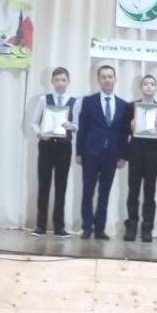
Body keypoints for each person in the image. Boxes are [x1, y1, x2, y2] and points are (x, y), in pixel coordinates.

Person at [75, 64, 129, 240]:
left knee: (104, 193)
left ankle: (100, 228)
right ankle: (87, 227)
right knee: (88, 191)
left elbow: (124, 133)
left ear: (115, 79)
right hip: (90, 152)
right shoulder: (89, 101)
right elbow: (82, 128)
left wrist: (123, 155)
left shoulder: (123, 105)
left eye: (110, 76)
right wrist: (79, 152)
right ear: (98, 80)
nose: (107, 80)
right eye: (103, 77)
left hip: (111, 154)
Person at [30, 66, 76, 237]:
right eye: (57, 80)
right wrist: (39, 133)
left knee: (61, 186)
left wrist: (72, 126)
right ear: (52, 81)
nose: (60, 83)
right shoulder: (44, 99)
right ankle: (40, 225)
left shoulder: (74, 101)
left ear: (68, 81)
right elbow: (34, 122)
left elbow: (78, 124)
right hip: (46, 145)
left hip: (64, 146)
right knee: (44, 184)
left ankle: (59, 227)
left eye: (63, 80)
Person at [124, 74, 157, 243]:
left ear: (156, 88)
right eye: (145, 84)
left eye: (152, 84)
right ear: (140, 87)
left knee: (150, 193)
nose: (149, 86)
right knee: (133, 191)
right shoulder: (131, 107)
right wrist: (131, 126)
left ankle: (147, 228)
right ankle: (131, 226)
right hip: (135, 153)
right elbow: (124, 129)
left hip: (152, 154)